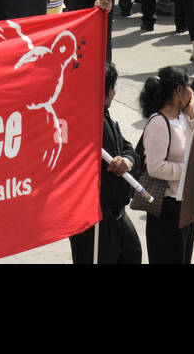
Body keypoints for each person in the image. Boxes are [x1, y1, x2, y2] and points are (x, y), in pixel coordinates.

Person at [69, 63, 141, 265]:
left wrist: (127, 160)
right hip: (95, 222)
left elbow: (130, 149)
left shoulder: (106, 117)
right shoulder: (82, 123)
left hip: (118, 216)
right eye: (113, 87)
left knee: (132, 253)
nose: (114, 92)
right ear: (107, 90)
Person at [138, 66, 194, 264]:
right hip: (168, 209)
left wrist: (193, 115)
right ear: (178, 91)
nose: (192, 91)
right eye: (188, 86)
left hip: (186, 204)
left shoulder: (184, 117)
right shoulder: (159, 122)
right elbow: (155, 167)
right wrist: (187, 170)